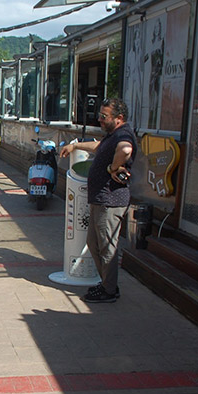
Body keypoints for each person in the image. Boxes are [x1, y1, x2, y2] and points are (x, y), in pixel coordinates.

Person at [60, 98, 136, 303]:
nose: (100, 120)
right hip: (100, 200)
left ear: (119, 118)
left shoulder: (124, 134)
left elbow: (126, 150)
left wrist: (113, 168)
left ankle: (109, 289)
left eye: (104, 116)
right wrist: (74, 146)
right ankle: (106, 284)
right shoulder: (113, 135)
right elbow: (99, 146)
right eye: (99, 115)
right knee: (93, 243)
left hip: (110, 202)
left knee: (106, 246)